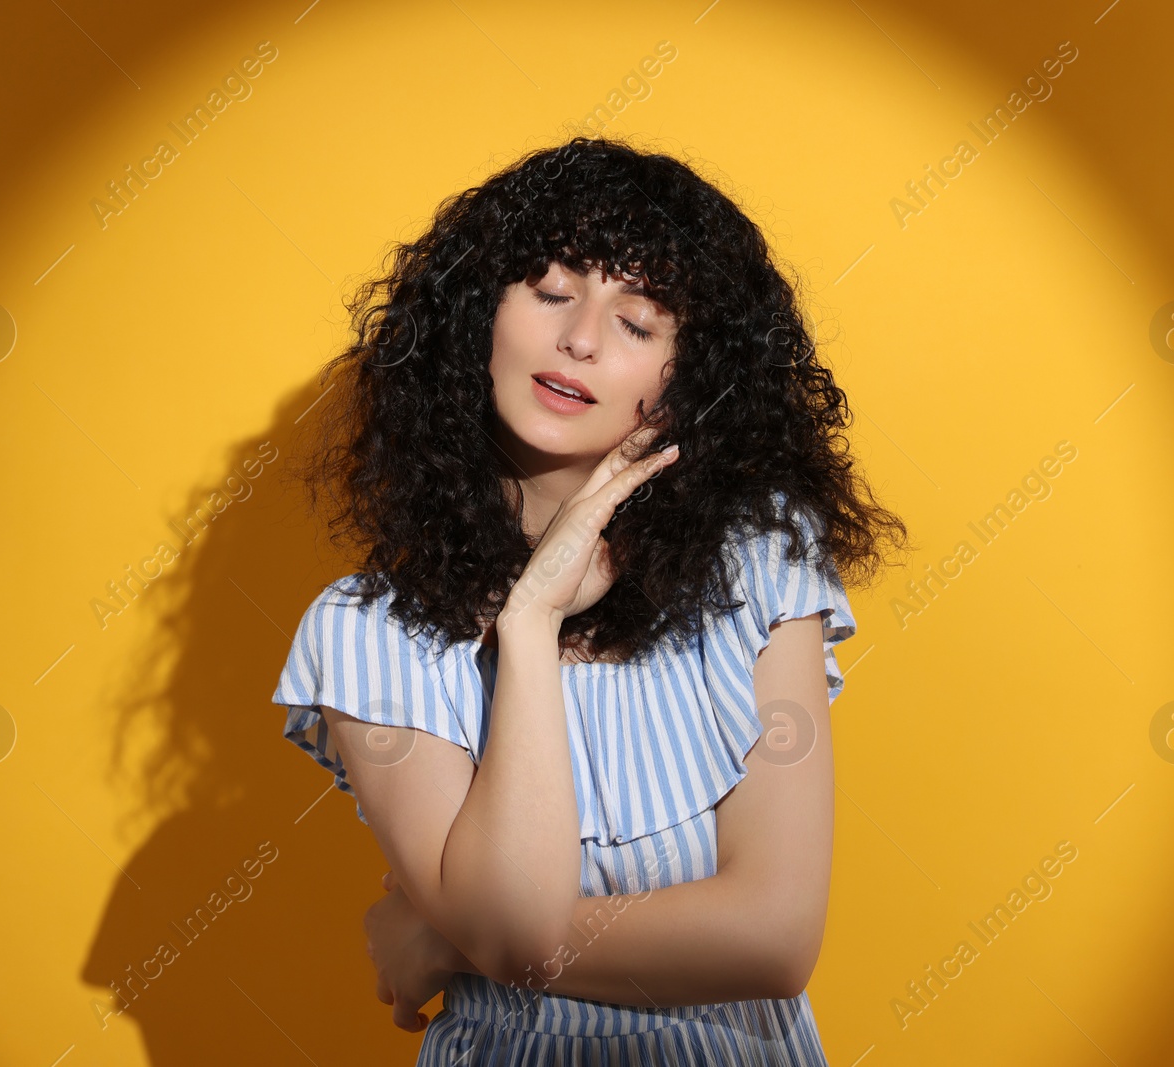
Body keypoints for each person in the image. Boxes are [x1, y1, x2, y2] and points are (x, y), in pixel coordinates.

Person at [272, 134, 907, 1064]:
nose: (580, 338)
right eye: (553, 291)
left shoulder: (761, 565)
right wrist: (531, 626)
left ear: (685, 384)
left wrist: (449, 940)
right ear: (477, 312)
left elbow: (772, 937)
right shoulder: (367, 632)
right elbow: (517, 932)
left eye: (638, 323)